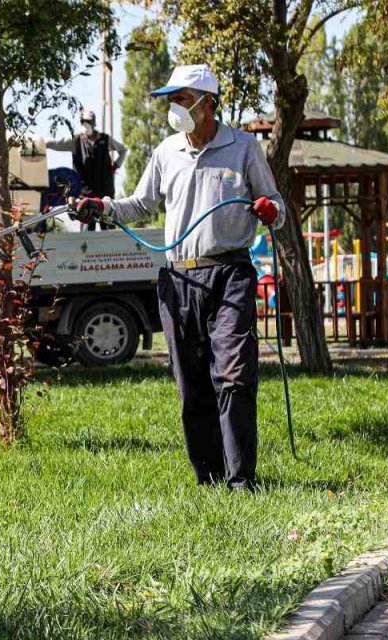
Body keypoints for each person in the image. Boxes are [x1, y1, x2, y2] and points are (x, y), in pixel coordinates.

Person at [69, 64, 284, 492]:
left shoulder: (243, 147)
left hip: (229, 274)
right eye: (171, 99)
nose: (174, 106)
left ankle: (242, 480)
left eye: (182, 98)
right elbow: (141, 204)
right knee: (191, 385)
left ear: (208, 103)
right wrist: (102, 207)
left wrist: (269, 209)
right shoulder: (167, 152)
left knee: (234, 375)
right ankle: (210, 478)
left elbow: (275, 204)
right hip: (178, 280)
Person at [47, 109, 127, 230]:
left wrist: (115, 165)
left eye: (88, 121)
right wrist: (42, 143)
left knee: (109, 230)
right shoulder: (75, 141)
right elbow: (56, 143)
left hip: (104, 194)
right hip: (85, 196)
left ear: (94, 123)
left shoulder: (105, 140)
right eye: (83, 121)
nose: (86, 124)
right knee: (86, 231)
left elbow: (123, 150)